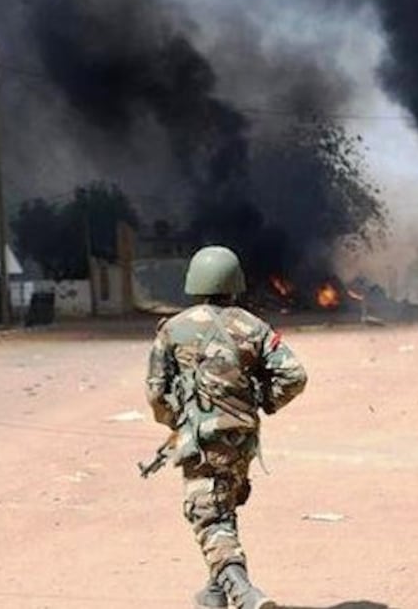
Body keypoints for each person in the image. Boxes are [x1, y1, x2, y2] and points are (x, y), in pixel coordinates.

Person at [144, 245, 307, 609]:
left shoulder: (173, 330)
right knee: (222, 507)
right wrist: (264, 400)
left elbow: (156, 393)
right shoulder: (254, 326)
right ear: (236, 282)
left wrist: (177, 421)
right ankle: (215, 591)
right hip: (243, 439)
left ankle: (245, 593)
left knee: (207, 516)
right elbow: (294, 375)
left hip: (202, 441)